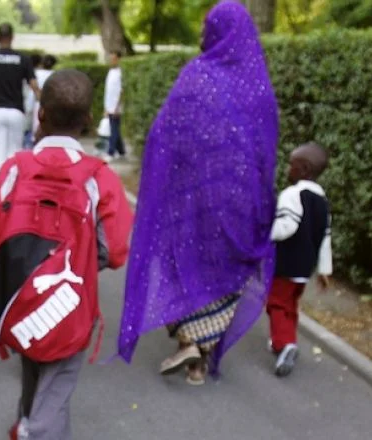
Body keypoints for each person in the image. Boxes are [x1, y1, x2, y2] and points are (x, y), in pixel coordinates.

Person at [118, 0, 278, 386]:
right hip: (240, 200)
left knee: (187, 262)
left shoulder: (197, 75)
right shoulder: (258, 84)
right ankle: (199, 357)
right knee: (224, 268)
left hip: (191, 197)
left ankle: (191, 340)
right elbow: (265, 146)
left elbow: (163, 133)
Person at [0, 70, 133, 440]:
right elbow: (114, 250)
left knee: (34, 372)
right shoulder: (100, 177)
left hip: (18, 301)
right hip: (69, 305)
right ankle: (33, 430)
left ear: (40, 115)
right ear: (88, 119)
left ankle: (26, 424)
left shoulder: (15, 168)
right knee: (57, 389)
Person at [267, 142, 332, 377]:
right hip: (304, 268)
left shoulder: (292, 194)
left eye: (291, 165)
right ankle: (284, 341)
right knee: (291, 304)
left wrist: (263, 234)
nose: (287, 169)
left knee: (276, 302)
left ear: (303, 169)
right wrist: (324, 270)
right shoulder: (323, 202)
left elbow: (286, 226)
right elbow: (325, 237)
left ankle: (285, 344)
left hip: (286, 263)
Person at [0, 23, 40, 179]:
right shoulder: (23, 59)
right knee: (14, 157)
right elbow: (34, 86)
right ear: (12, 37)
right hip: (17, 112)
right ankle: (12, 192)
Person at [103, 51, 124, 161]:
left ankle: (110, 152)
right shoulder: (110, 72)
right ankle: (121, 151)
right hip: (109, 105)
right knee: (114, 129)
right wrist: (106, 107)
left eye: (114, 58)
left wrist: (117, 107)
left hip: (116, 106)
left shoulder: (121, 73)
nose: (112, 60)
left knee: (114, 129)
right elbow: (108, 91)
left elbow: (121, 91)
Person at [31, 55, 58, 136]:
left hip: (37, 103)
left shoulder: (36, 74)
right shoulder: (56, 75)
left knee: (36, 128)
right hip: (51, 104)